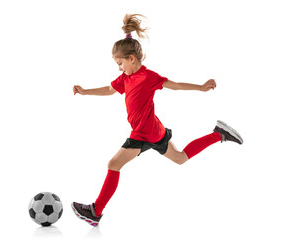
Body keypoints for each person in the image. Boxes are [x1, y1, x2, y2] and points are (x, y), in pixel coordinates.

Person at [71, 14, 243, 227]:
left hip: (145, 133)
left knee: (113, 164)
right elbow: (109, 89)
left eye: (120, 63)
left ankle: (96, 211)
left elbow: (176, 85)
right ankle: (219, 134)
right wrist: (85, 92)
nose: (119, 68)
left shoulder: (147, 76)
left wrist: (200, 87)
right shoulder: (125, 78)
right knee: (180, 158)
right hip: (154, 130)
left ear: (132, 58)